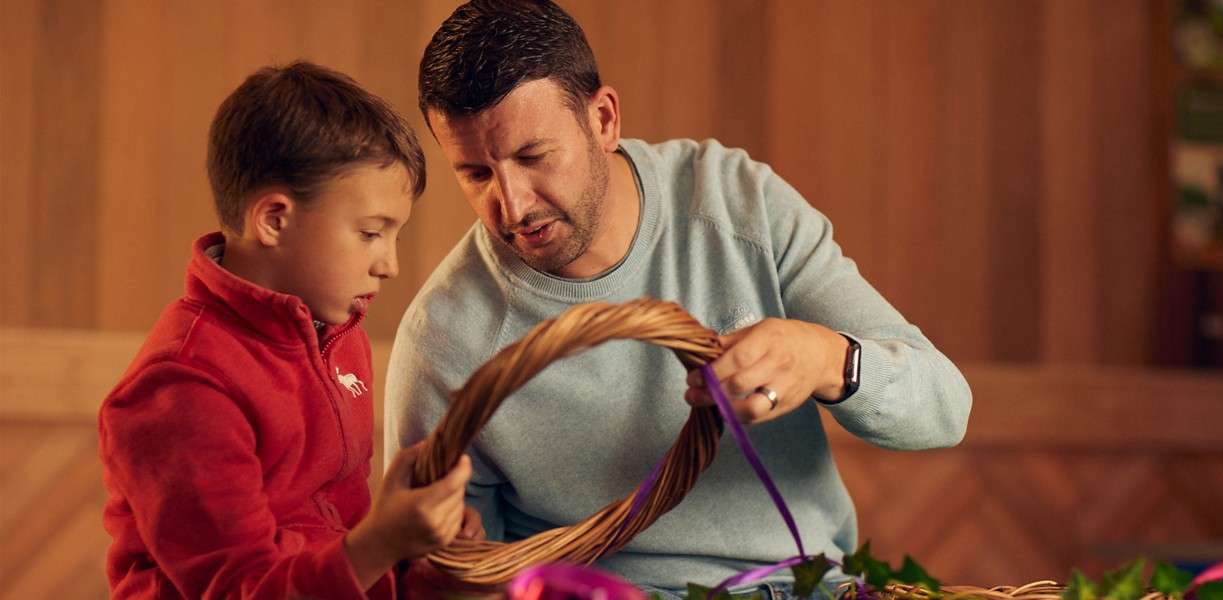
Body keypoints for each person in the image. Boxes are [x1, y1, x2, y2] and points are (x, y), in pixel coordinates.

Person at [386, 0, 972, 597]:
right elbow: (443, 576)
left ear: (604, 120)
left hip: (813, 586)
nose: (512, 206)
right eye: (475, 174)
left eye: (533, 157)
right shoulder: (443, 337)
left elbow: (944, 410)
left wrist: (823, 360)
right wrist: (445, 568)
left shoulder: (738, 202)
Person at [98, 61, 482, 599]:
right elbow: (241, 589)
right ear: (274, 219)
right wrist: (383, 543)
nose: (389, 265)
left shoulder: (339, 333)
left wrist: (417, 555)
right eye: (371, 233)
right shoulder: (182, 387)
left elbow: (332, 532)